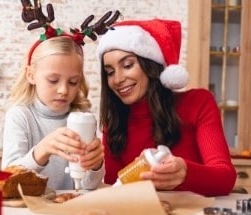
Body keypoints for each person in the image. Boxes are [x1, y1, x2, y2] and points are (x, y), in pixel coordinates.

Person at [96, 19, 236, 196]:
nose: (117, 79)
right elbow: (114, 187)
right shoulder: (114, 123)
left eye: (127, 65)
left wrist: (185, 173)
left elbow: (225, 179)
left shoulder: (198, 103)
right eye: (110, 72)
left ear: (150, 65)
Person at [1, 3, 117, 190]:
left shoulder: (83, 117)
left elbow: (90, 186)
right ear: (31, 75)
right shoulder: (20, 116)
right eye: (53, 80)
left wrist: (95, 165)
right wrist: (42, 150)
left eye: (73, 82)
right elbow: (8, 179)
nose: (63, 90)